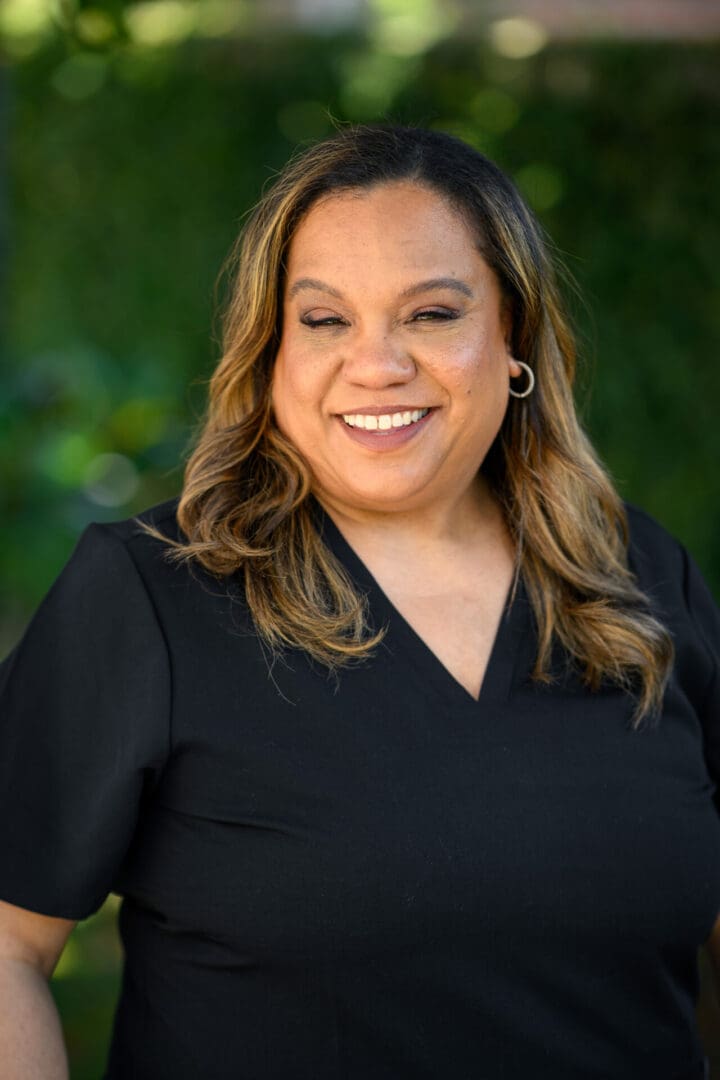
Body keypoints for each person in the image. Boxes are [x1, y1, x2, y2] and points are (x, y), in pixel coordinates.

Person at [0, 124, 718, 1080]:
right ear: (271, 355)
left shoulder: (636, 578)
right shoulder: (150, 596)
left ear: (515, 342)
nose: (375, 364)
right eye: (326, 320)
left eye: (430, 314)